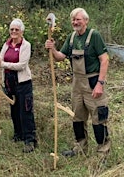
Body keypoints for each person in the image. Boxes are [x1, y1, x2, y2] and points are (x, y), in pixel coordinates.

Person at [45, 8, 111, 156]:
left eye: (78, 19)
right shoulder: (72, 37)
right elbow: (61, 56)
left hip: (93, 82)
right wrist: (53, 49)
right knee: (78, 118)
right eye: (73, 20)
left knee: (99, 118)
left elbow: (104, 59)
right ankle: (80, 148)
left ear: (86, 21)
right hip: (77, 83)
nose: (75, 22)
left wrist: (100, 83)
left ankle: (103, 152)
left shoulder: (94, 36)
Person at [0, 18, 37, 153]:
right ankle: (18, 135)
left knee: (25, 111)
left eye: (16, 30)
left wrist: (3, 64)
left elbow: (21, 65)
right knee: (14, 110)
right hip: (9, 82)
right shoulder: (6, 45)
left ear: (21, 32)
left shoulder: (26, 45)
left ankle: (30, 140)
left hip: (23, 83)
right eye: (12, 29)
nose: (13, 32)